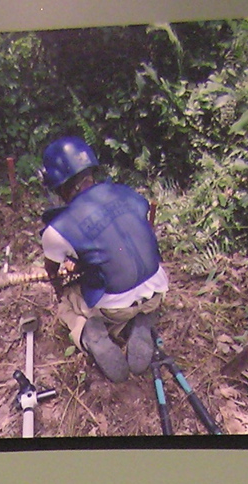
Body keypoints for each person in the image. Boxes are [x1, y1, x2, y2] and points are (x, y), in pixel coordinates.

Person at [40, 136, 168, 383]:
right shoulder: (125, 192)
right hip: (158, 290)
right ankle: (142, 321)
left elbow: (52, 272)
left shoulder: (57, 229)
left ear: (59, 187)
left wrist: (62, 290)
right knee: (139, 295)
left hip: (115, 308)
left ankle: (87, 332)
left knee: (66, 303)